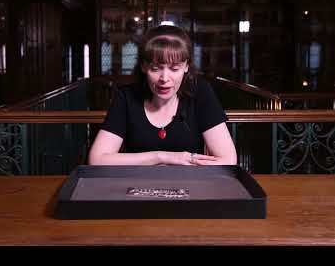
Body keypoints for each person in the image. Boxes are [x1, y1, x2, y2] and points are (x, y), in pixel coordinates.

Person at [88, 25, 237, 166]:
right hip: (138, 186)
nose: (164, 78)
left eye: (174, 68)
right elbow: (97, 159)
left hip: (190, 186)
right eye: (155, 68)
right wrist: (162, 156)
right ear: (143, 67)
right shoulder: (126, 96)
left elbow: (228, 160)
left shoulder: (200, 92)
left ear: (186, 67)